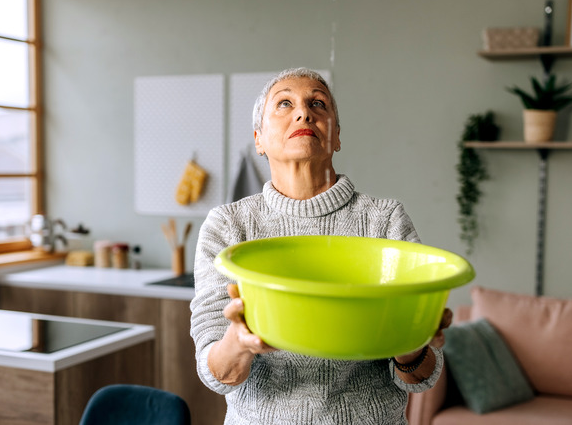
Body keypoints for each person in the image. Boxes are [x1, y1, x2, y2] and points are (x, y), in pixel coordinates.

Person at [190, 67, 452, 424]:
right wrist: (239, 341)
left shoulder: (384, 220)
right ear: (259, 139)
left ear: (337, 136)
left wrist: (411, 343)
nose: (303, 113)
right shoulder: (229, 226)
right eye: (285, 103)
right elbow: (216, 374)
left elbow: (421, 377)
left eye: (318, 103)